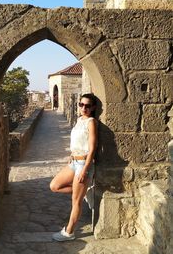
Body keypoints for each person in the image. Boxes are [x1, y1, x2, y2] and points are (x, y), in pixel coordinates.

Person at [50, 93, 98, 241]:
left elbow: (92, 148)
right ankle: (84, 191)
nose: (84, 108)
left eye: (87, 106)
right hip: (74, 162)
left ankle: (69, 232)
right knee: (54, 186)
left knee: (75, 201)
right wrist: (71, 156)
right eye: (81, 104)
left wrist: (85, 169)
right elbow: (77, 142)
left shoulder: (91, 122)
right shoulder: (79, 120)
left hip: (84, 164)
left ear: (93, 107)